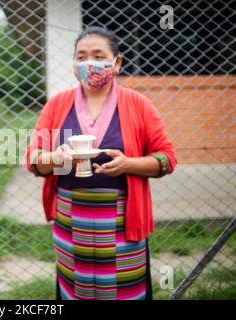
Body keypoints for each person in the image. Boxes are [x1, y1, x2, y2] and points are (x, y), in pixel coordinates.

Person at [26, 26, 177, 300]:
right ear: (74, 65)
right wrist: (56, 159)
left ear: (117, 62)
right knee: (76, 287)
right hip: (70, 217)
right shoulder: (57, 105)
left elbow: (166, 159)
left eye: (98, 55)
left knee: (124, 290)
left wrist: (128, 164)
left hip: (122, 218)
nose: (89, 63)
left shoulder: (139, 104)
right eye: (81, 57)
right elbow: (34, 160)